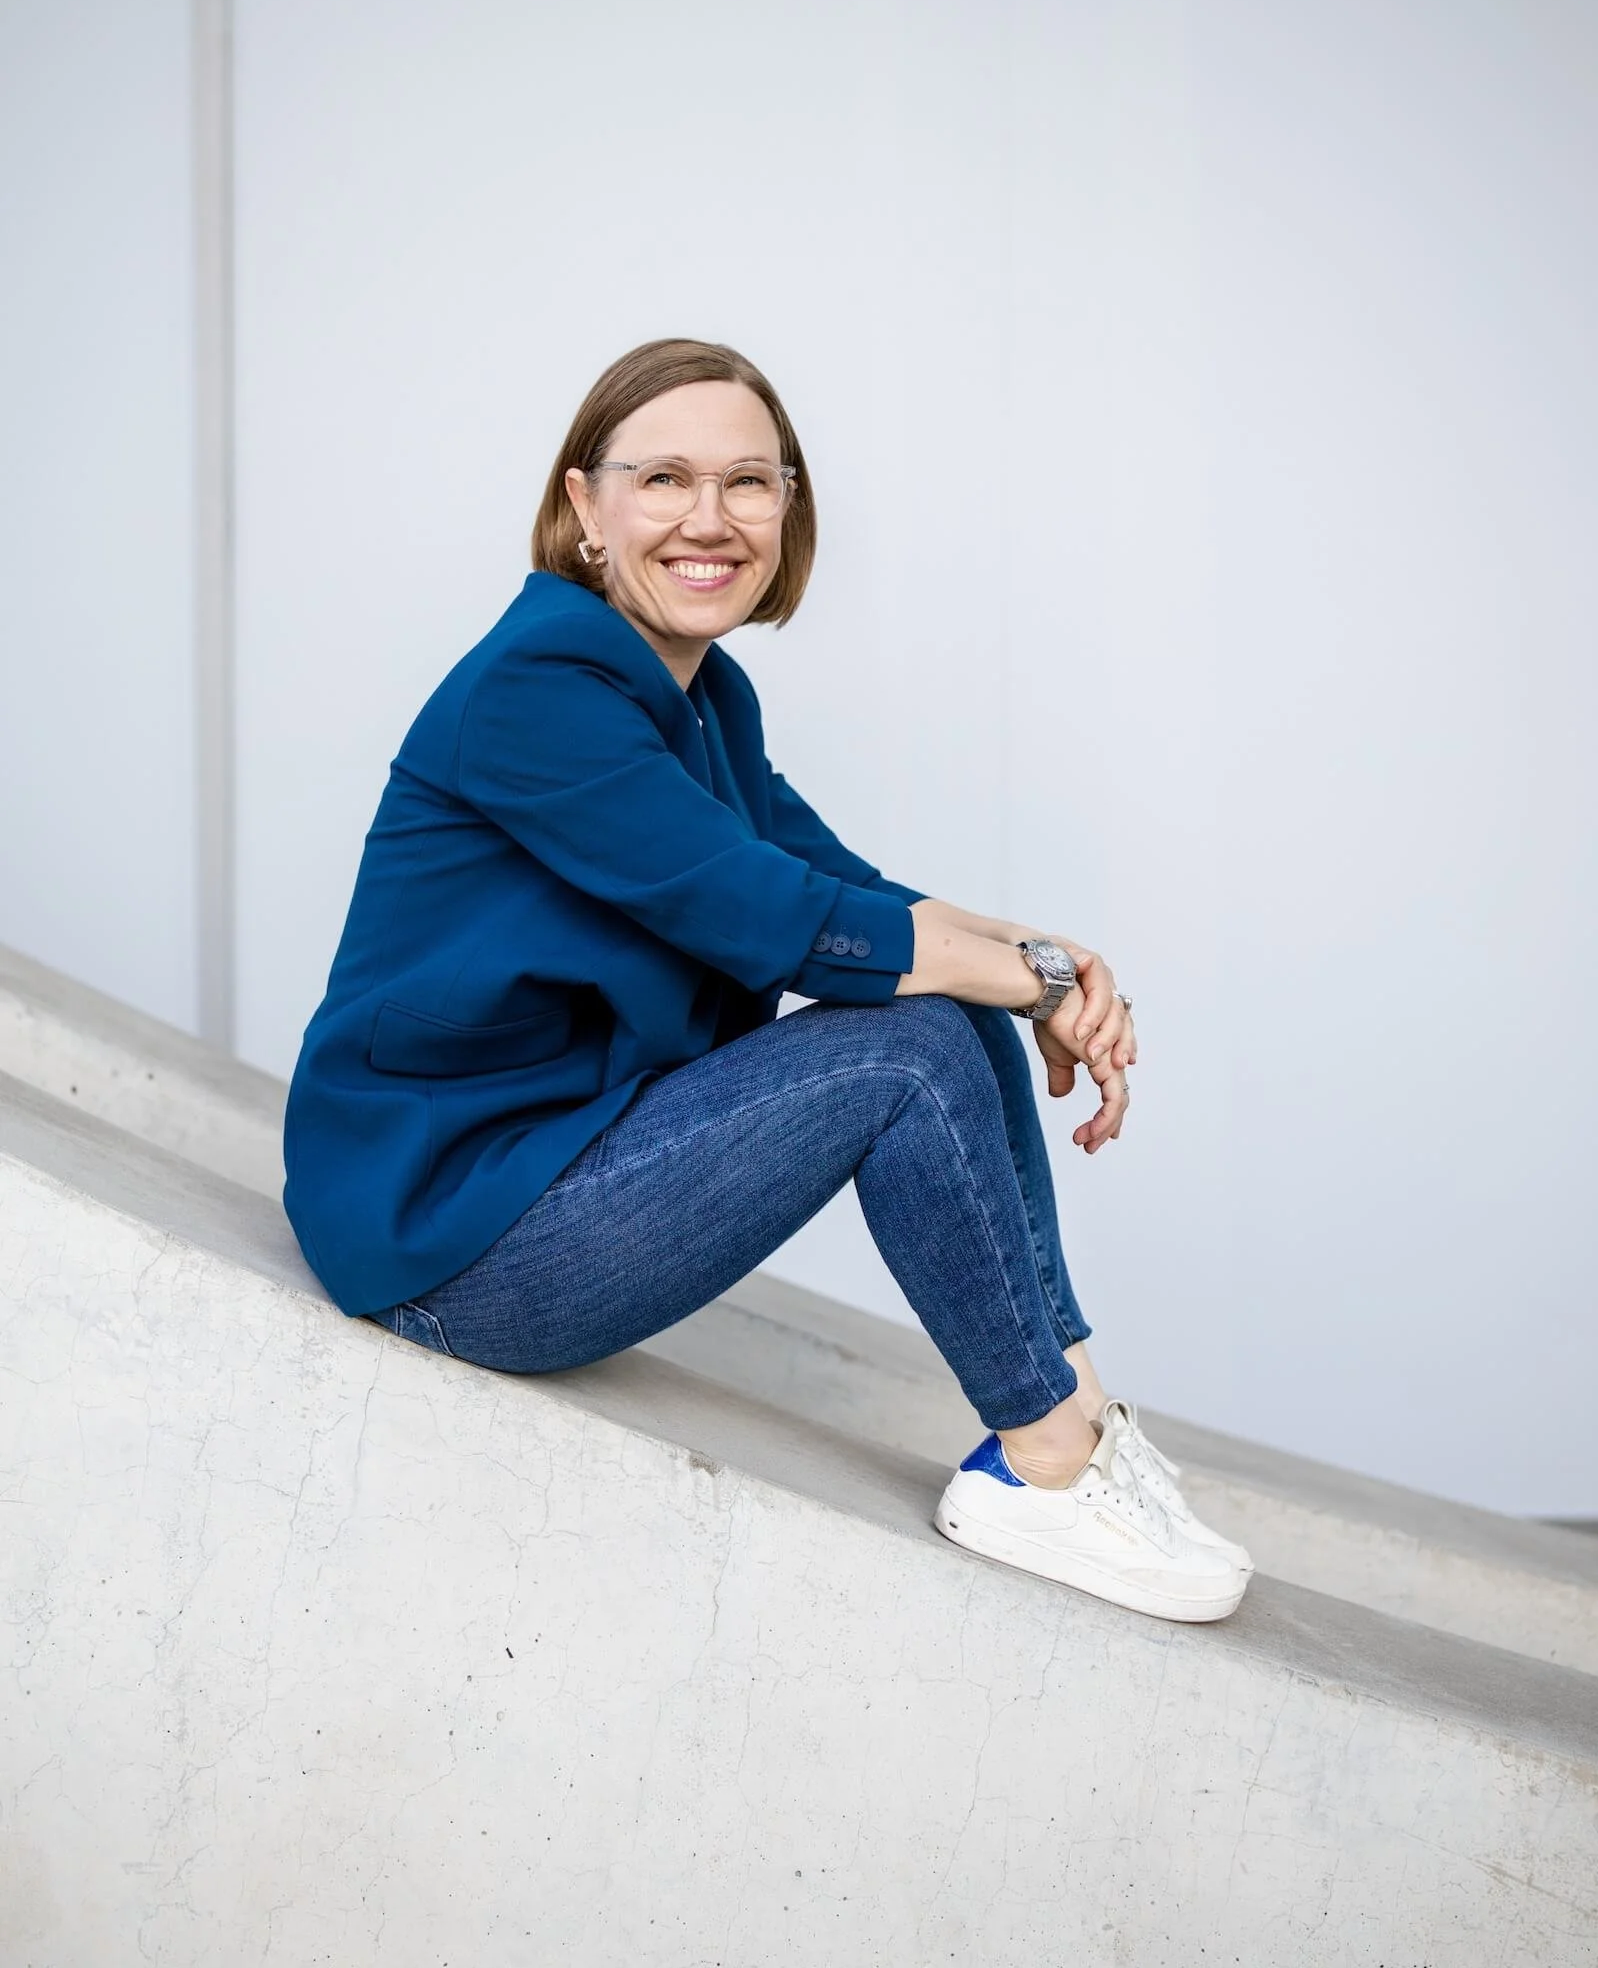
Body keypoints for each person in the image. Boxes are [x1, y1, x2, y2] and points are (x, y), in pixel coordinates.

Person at [283, 337, 1251, 1623]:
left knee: (938, 999)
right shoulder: (537, 691)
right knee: (908, 1049)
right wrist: (1024, 980)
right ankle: (1043, 1463)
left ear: (787, 507)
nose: (710, 519)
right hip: (450, 1242)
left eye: (749, 482)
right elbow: (771, 917)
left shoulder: (700, 697)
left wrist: (1053, 964)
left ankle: (1069, 1407)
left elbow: (845, 887)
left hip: (559, 1165)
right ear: (584, 505)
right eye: (664, 479)